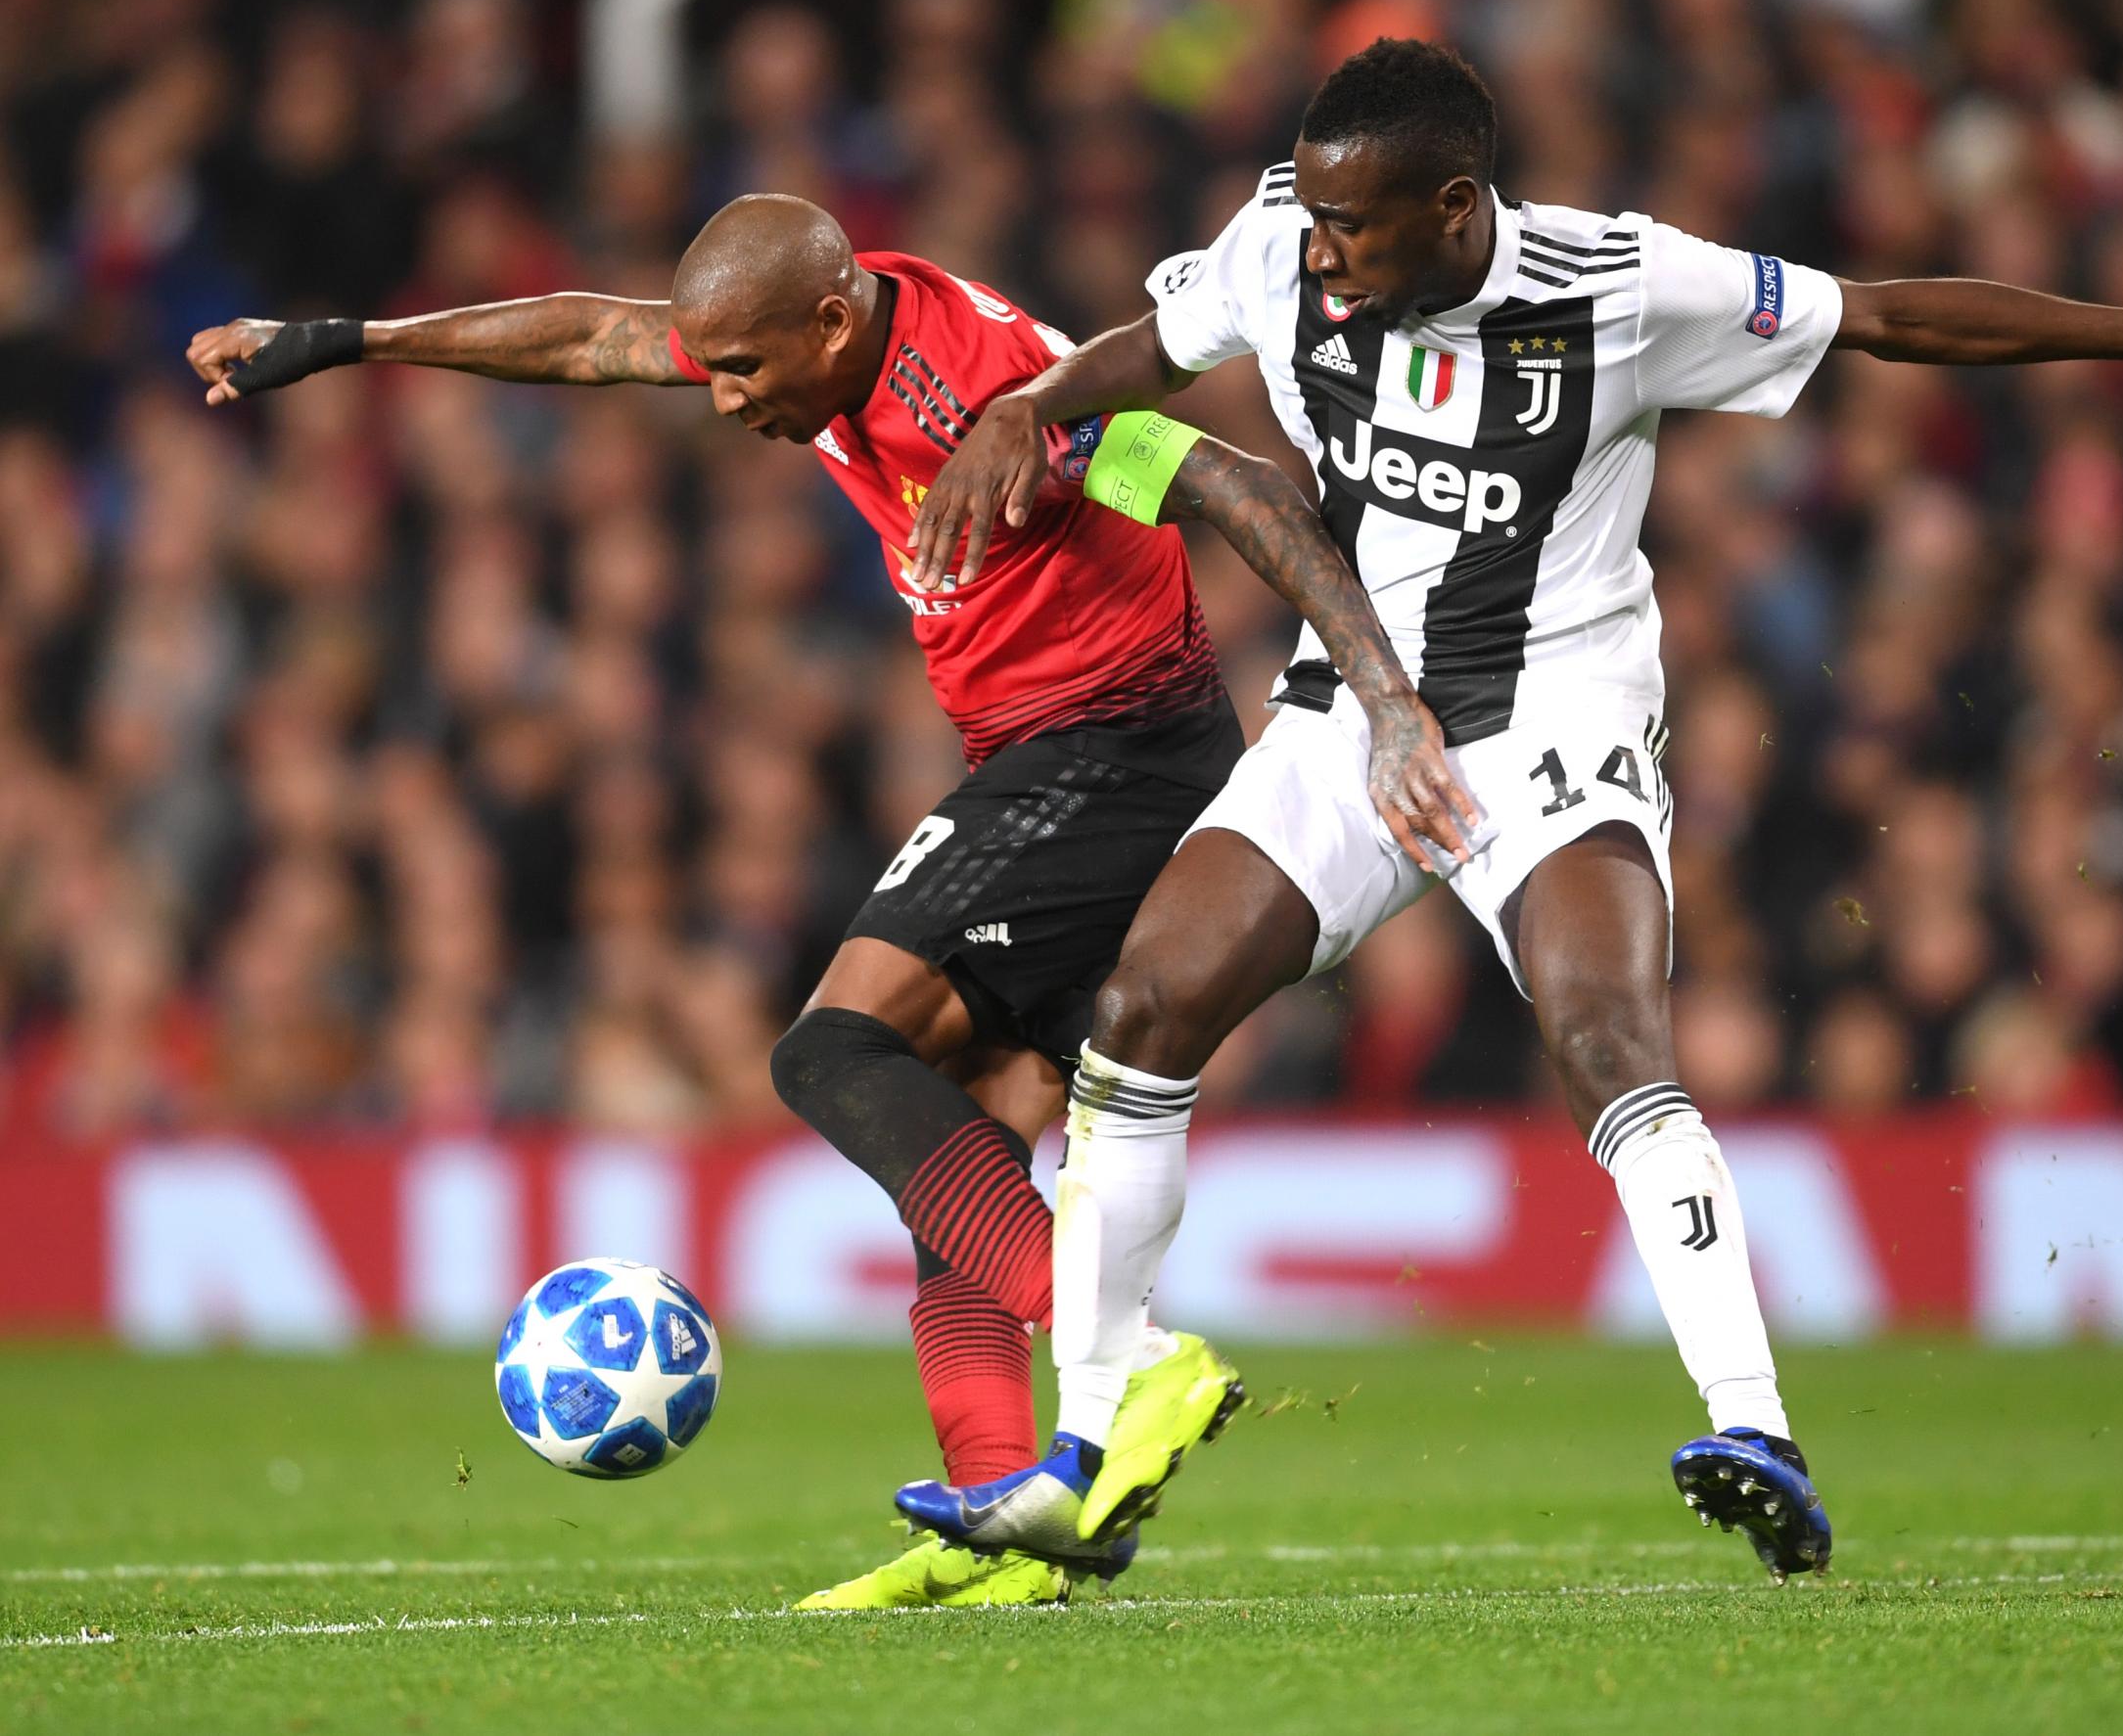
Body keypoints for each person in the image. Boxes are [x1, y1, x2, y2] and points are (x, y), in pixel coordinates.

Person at [893, 38, 2123, 1583]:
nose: (1322, 255)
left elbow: (1886, 316)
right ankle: (1087, 1449)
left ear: (1457, 206)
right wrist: (1032, 407)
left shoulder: (1624, 287)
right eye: (1316, 225)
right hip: (1353, 708)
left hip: (1553, 709)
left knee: (1604, 1031)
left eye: (1358, 230)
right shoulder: (1286, 242)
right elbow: (1155, 338)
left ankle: (1754, 1426)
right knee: (1142, 1007)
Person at [184, 192, 1470, 1608]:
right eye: (714, 371)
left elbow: (1240, 487)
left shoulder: (995, 398)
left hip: (1113, 753)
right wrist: (343, 341)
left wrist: (1385, 701)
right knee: (960, 1139)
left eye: (742, 370)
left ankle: (1126, 1355)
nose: (724, 400)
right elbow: (594, 341)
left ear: (830, 323)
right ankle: (1011, 1522)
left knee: (831, 1051)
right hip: (1053, 757)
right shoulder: (817, 342)